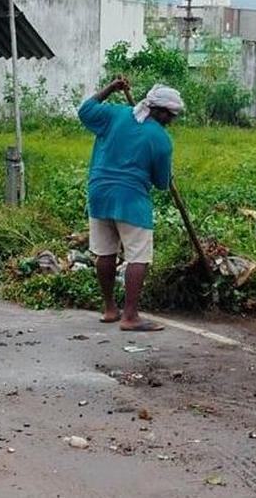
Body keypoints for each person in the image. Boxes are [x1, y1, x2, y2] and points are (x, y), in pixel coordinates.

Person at [78, 77, 183, 332]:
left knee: (105, 252)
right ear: (160, 112)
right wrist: (167, 175)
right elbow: (160, 183)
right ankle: (130, 316)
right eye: (171, 115)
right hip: (131, 201)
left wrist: (111, 88)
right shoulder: (160, 139)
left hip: (99, 193)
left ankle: (110, 309)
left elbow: (85, 110)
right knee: (139, 256)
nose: (172, 121)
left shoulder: (115, 114)